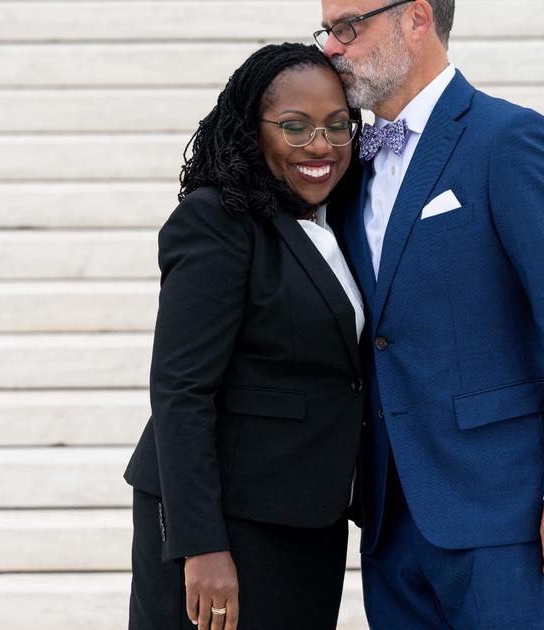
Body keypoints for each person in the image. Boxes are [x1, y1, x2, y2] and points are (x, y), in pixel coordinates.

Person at [314, 1, 544, 628]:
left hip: (504, 515)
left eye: (348, 26)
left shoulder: (511, 139)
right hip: (389, 517)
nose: (333, 47)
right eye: (328, 29)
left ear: (415, 17)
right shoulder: (348, 166)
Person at [123, 43, 368, 630]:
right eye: (295, 126)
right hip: (228, 524)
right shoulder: (216, 221)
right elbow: (181, 390)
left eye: (339, 125)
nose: (321, 145)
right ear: (250, 130)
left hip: (305, 517)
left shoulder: (332, 222)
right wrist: (201, 547)